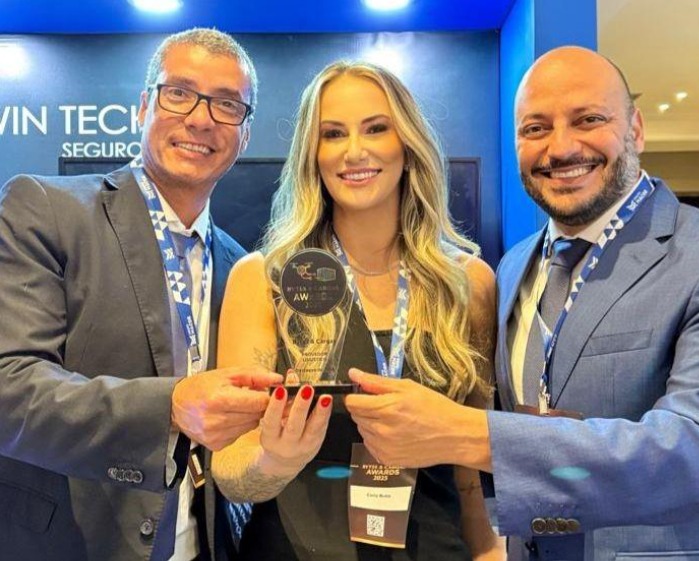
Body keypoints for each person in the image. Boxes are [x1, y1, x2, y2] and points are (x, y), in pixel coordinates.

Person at [344, 45, 699, 561]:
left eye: (588, 119)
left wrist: (462, 432)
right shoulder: (512, 268)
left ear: (636, 128)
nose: (561, 148)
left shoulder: (691, 254)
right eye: (536, 128)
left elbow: (688, 448)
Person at [0, 28, 282, 561]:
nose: (200, 118)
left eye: (226, 105)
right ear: (143, 107)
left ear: (244, 134)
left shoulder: (240, 267)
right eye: (179, 93)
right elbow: (8, 387)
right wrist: (171, 407)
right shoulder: (45, 210)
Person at [211, 61, 504, 560]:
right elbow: (230, 473)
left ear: (407, 144)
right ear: (313, 154)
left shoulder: (468, 282)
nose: (354, 151)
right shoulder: (264, 279)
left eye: (375, 128)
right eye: (333, 133)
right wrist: (274, 458)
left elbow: (468, 469)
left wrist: (485, 550)